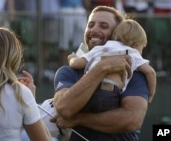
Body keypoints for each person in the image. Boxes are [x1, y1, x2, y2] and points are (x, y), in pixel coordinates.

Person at [51, 6, 155, 141]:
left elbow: (131, 120)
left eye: (104, 26)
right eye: (90, 25)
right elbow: (64, 108)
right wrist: (102, 67)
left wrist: (78, 119)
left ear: (117, 33)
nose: (94, 30)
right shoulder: (68, 72)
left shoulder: (133, 71)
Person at [68, 19, 156, 102]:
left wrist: (72, 57)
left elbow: (77, 63)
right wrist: (151, 94)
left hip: (87, 91)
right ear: (136, 44)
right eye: (142, 48)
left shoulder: (100, 48)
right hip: (109, 92)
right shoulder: (133, 52)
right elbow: (150, 72)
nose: (141, 52)